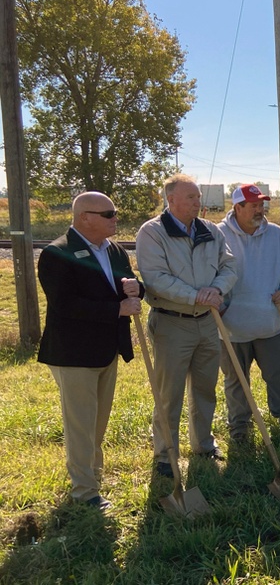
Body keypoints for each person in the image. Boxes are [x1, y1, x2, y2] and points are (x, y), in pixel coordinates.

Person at [37, 192, 144, 510]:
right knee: (81, 425)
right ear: (84, 217)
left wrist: (137, 289)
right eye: (108, 214)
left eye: (115, 213)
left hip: (106, 349)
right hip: (73, 352)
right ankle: (84, 493)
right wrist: (117, 310)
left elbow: (129, 283)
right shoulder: (57, 253)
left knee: (97, 423)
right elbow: (65, 305)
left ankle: (91, 480)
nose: (115, 219)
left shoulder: (113, 248)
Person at [136, 174, 237, 477]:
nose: (198, 202)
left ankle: (203, 445)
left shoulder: (210, 230)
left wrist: (216, 290)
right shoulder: (152, 233)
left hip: (208, 321)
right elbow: (156, 278)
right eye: (191, 197)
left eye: (198, 196)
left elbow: (229, 265)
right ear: (172, 200)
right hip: (172, 323)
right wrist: (196, 295)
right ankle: (166, 456)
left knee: (206, 388)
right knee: (169, 393)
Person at [218, 184, 280, 442]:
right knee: (236, 383)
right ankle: (240, 427)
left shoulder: (279, 236)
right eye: (253, 205)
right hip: (231, 328)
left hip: (271, 323)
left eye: (262, 204)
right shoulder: (217, 236)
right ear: (238, 207)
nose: (260, 209)